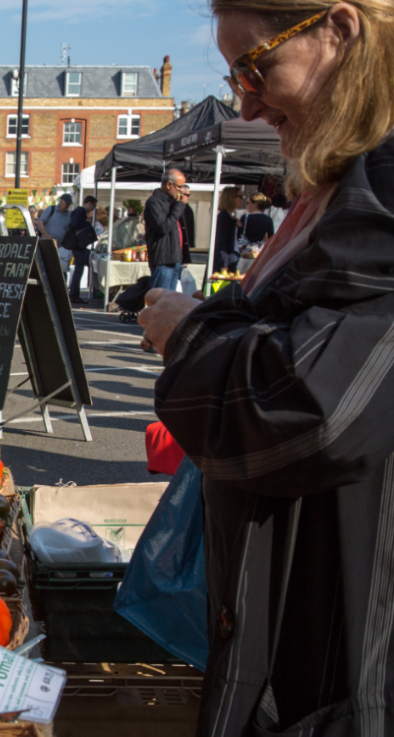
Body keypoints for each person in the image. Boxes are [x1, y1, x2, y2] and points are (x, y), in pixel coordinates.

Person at [138, 1, 394, 733]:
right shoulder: (341, 184)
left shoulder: (385, 185)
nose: (245, 98)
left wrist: (191, 336)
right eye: (233, 73)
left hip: (345, 659)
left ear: (339, 31)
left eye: (256, 64)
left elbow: (313, 407)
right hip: (303, 635)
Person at [143, 169, 187, 291]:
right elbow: (163, 227)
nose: (181, 191)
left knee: (170, 301)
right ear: (169, 185)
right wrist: (179, 205)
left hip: (174, 257)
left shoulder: (172, 202)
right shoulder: (154, 202)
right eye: (179, 187)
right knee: (160, 299)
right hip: (163, 259)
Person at [67, 195, 98, 303]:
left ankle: (74, 294)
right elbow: (76, 224)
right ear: (89, 203)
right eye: (93, 206)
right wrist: (87, 223)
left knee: (79, 269)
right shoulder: (81, 211)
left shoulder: (78, 211)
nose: (92, 209)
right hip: (78, 245)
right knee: (79, 270)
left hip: (77, 245)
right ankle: (74, 295)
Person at [213, 186, 243, 272]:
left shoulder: (231, 217)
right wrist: (224, 263)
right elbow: (221, 241)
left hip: (231, 260)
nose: (242, 199)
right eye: (240, 196)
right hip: (226, 262)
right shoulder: (223, 217)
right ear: (231, 198)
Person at [179, 185, 196, 264]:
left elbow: (190, 231)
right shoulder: (177, 208)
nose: (188, 197)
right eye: (187, 195)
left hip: (183, 249)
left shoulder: (187, 210)